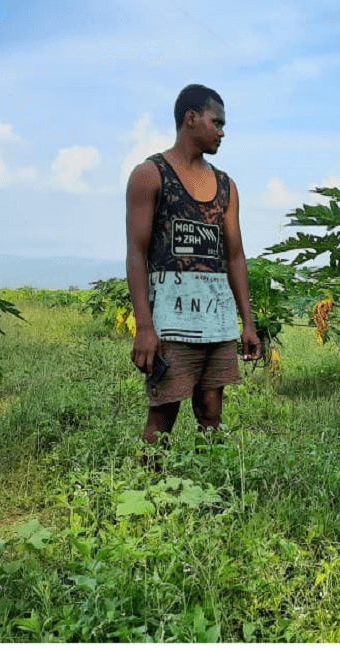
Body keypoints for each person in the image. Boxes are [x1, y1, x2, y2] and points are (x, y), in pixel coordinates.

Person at [125, 84, 261, 453]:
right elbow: (136, 254)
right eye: (216, 122)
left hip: (216, 322)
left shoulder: (225, 186)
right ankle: (149, 496)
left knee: (211, 412)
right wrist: (145, 327)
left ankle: (208, 493)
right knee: (163, 416)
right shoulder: (151, 175)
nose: (222, 131)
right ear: (191, 119)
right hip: (170, 322)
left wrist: (246, 324)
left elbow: (235, 256)